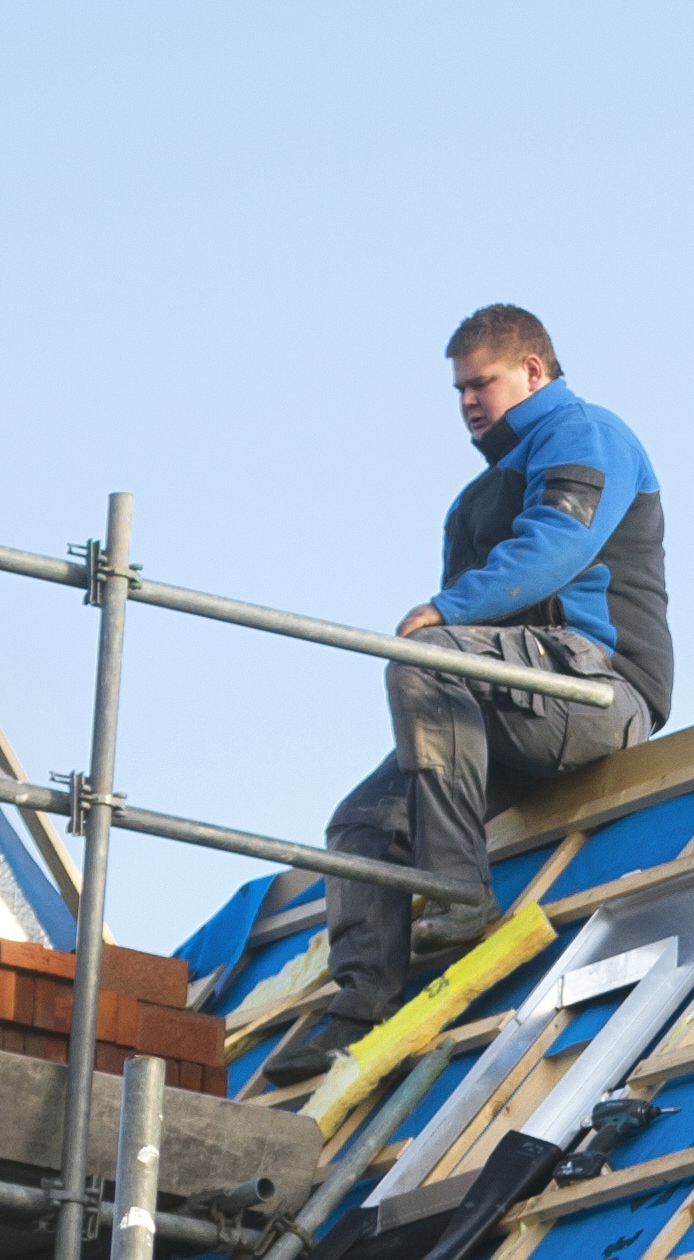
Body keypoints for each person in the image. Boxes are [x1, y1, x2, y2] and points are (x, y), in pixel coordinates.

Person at [264, 304, 671, 1087]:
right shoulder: (474, 502)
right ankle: (360, 1000)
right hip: (511, 711)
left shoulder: (585, 435)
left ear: (535, 371)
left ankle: (459, 891)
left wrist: (446, 615)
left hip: (595, 689)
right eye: (459, 390)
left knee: (422, 655)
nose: (469, 403)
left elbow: (560, 541)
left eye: (483, 383)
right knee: (363, 823)